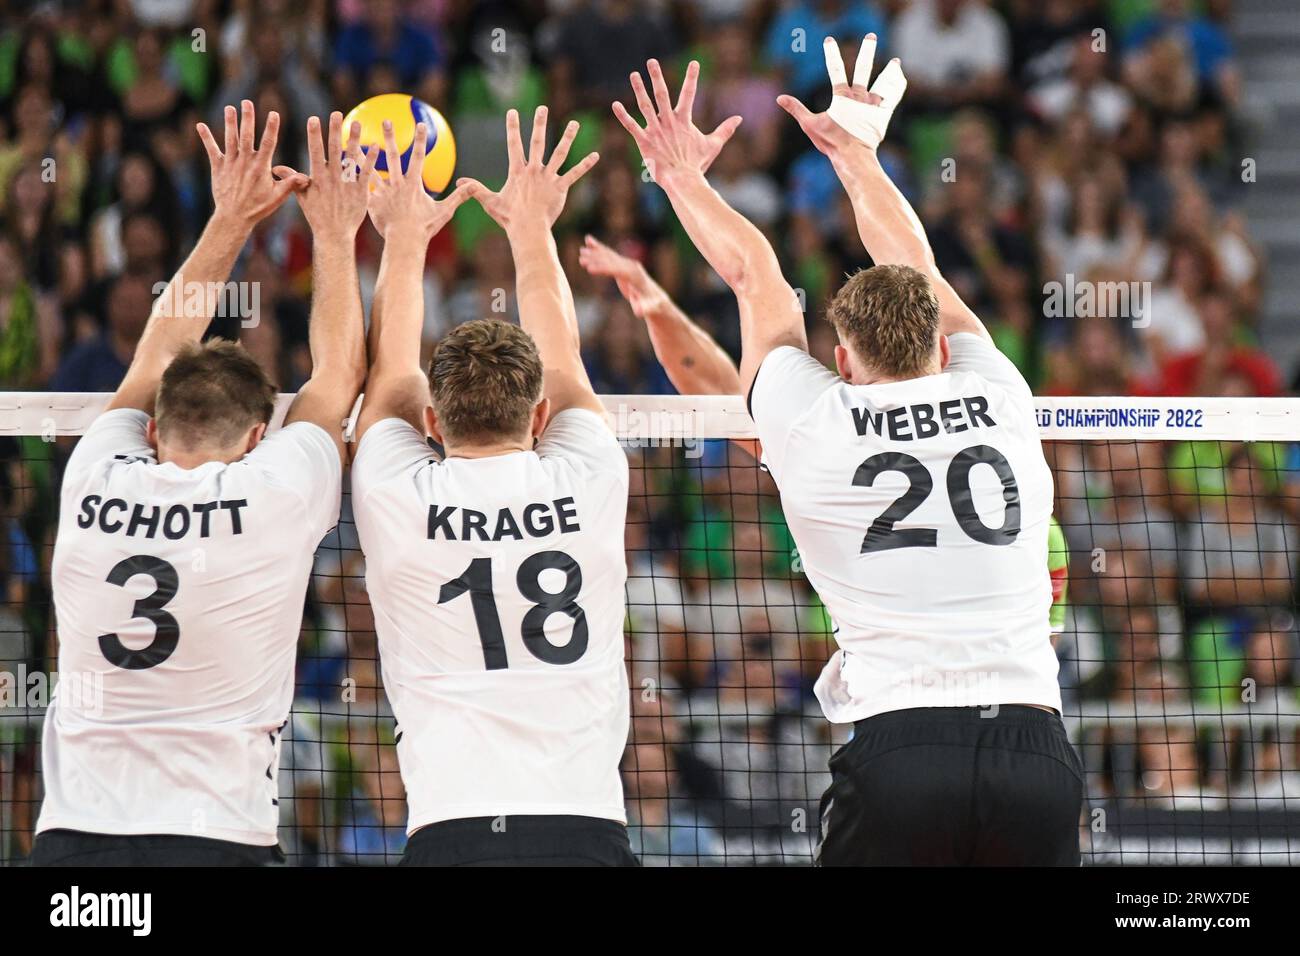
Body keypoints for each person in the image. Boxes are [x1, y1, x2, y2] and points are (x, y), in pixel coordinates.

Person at [612, 38, 1081, 865]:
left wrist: (681, 176)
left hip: (904, 749)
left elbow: (756, 275)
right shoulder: (1000, 391)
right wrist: (857, 158)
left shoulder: (814, 420)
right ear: (942, 350)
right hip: (1035, 750)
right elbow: (918, 266)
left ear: (842, 363)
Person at [31, 104, 374, 866]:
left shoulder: (93, 476)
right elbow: (341, 375)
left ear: (153, 428)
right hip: (213, 839)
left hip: (74, 846)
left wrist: (228, 219)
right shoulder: (275, 493)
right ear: (259, 438)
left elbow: (159, 350)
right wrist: (334, 232)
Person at [349, 107, 636, 866]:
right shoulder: (593, 474)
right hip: (586, 831)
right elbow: (565, 354)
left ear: (433, 423)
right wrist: (530, 227)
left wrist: (403, 237)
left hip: (451, 832)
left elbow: (391, 375)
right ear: (538, 415)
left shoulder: (395, 493)